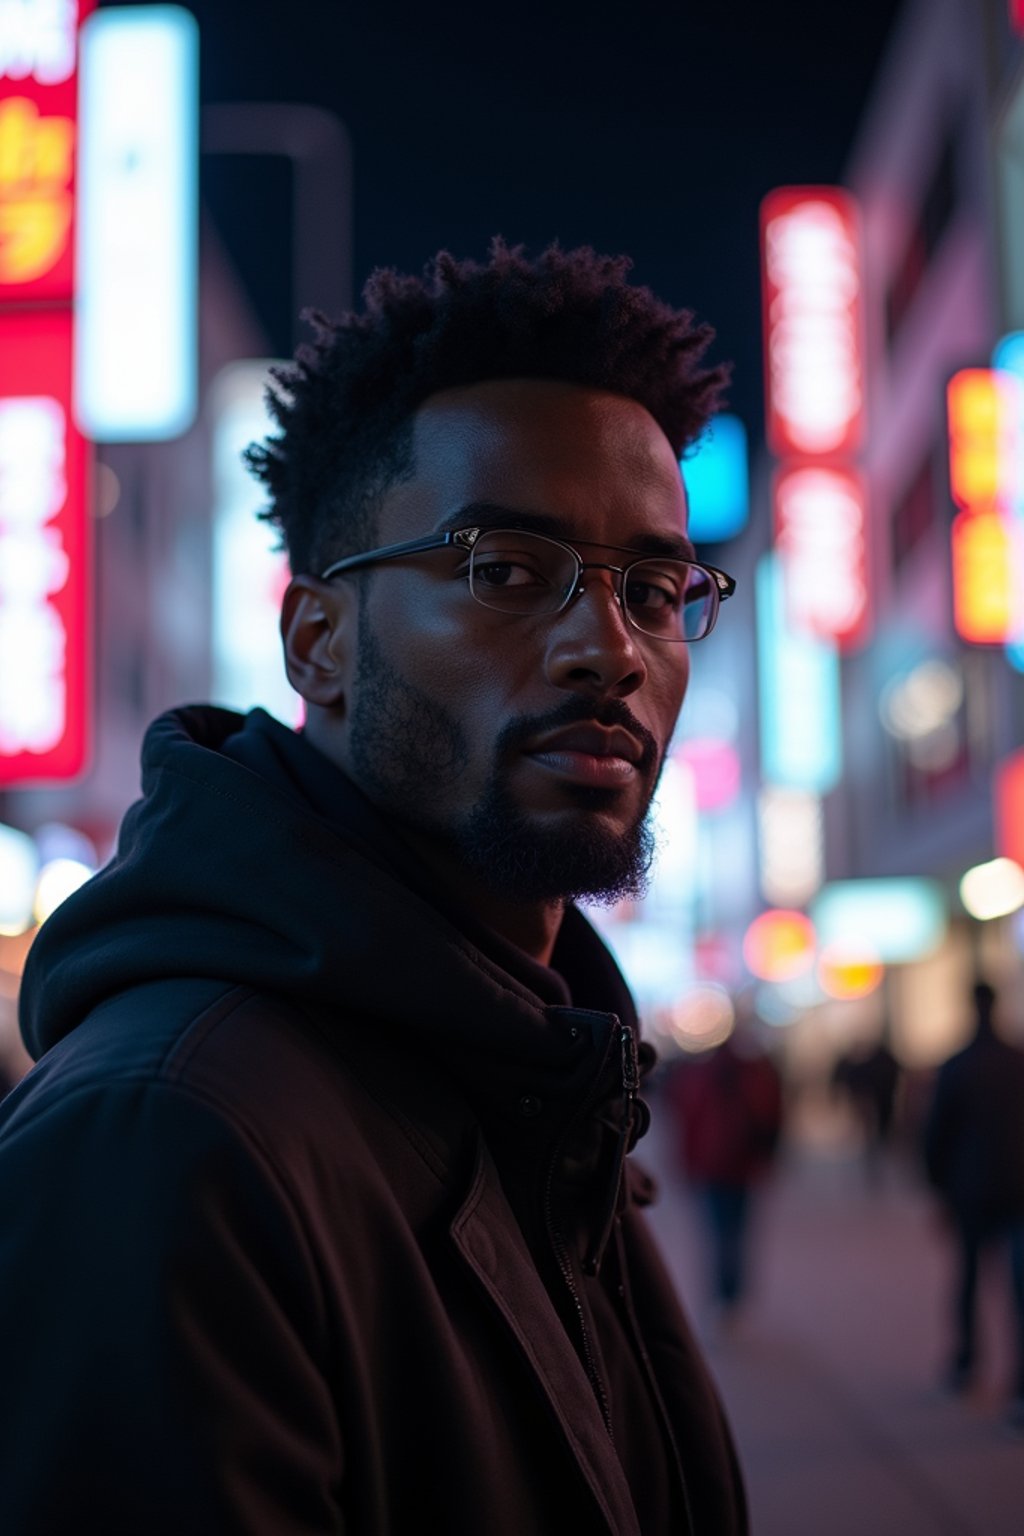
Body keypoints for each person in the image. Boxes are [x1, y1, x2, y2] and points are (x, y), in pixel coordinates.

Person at [0, 242, 747, 1534]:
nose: (608, 648)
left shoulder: (544, 1078)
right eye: (509, 571)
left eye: (657, 588)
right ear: (318, 640)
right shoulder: (167, 1137)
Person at [923, 979, 1024, 1429]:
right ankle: (1019, 1387)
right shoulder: (1017, 1061)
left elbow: (936, 1134)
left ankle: (967, 1362)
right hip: (1017, 1188)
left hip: (971, 1188)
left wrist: (938, 1187)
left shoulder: (958, 1064)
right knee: (1018, 1290)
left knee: (967, 1279)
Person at [665, 1009, 783, 1330]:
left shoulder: (697, 1076)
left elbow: (689, 1124)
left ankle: (724, 1297)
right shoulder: (755, 1074)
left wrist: (686, 1164)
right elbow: (772, 1119)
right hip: (739, 1166)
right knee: (737, 1231)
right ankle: (731, 1295)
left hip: (712, 1166)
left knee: (719, 1232)